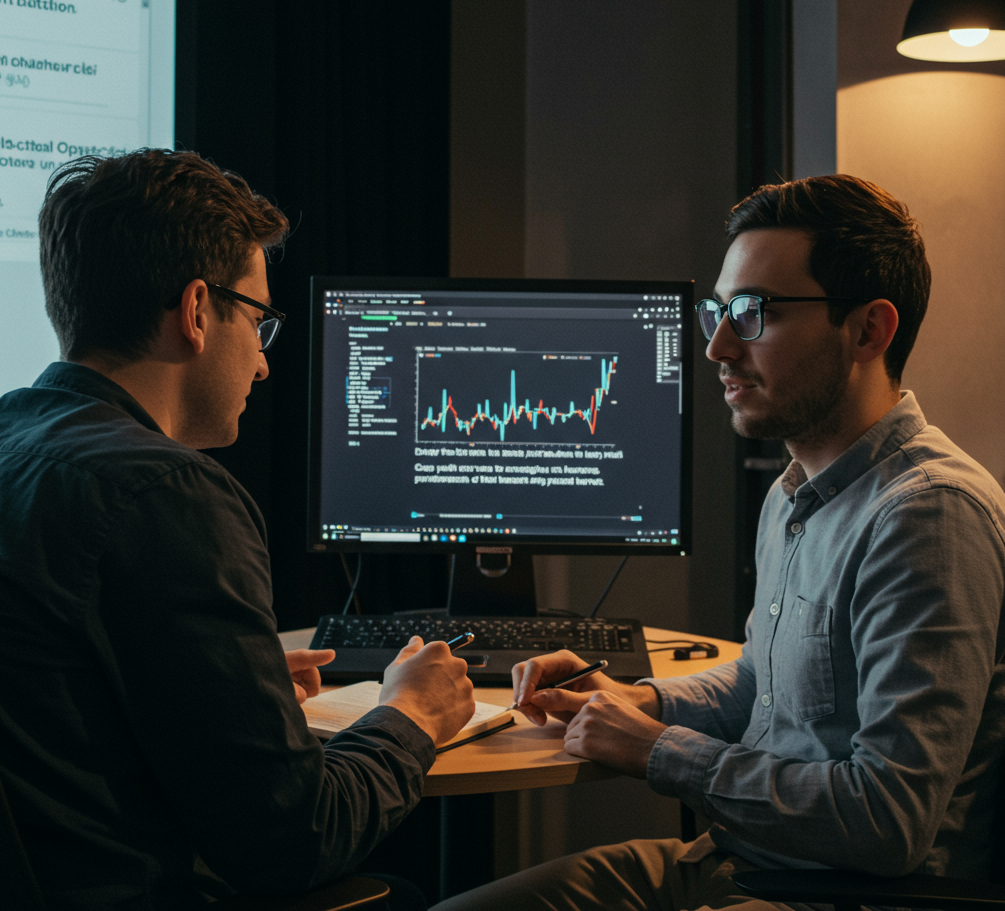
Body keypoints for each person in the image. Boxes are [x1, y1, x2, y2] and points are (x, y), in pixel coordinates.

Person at [431, 174, 1005, 911]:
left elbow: (887, 821)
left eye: (754, 313)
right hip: (732, 860)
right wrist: (637, 699)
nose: (719, 347)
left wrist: (653, 750)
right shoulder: (795, 491)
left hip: (833, 894)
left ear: (869, 330)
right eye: (719, 313)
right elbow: (763, 688)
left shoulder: (928, 517)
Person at [0, 148, 475, 910]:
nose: (265, 364)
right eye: (260, 320)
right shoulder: (167, 491)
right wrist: (409, 714)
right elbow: (295, 841)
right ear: (197, 311)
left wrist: (227, 693)